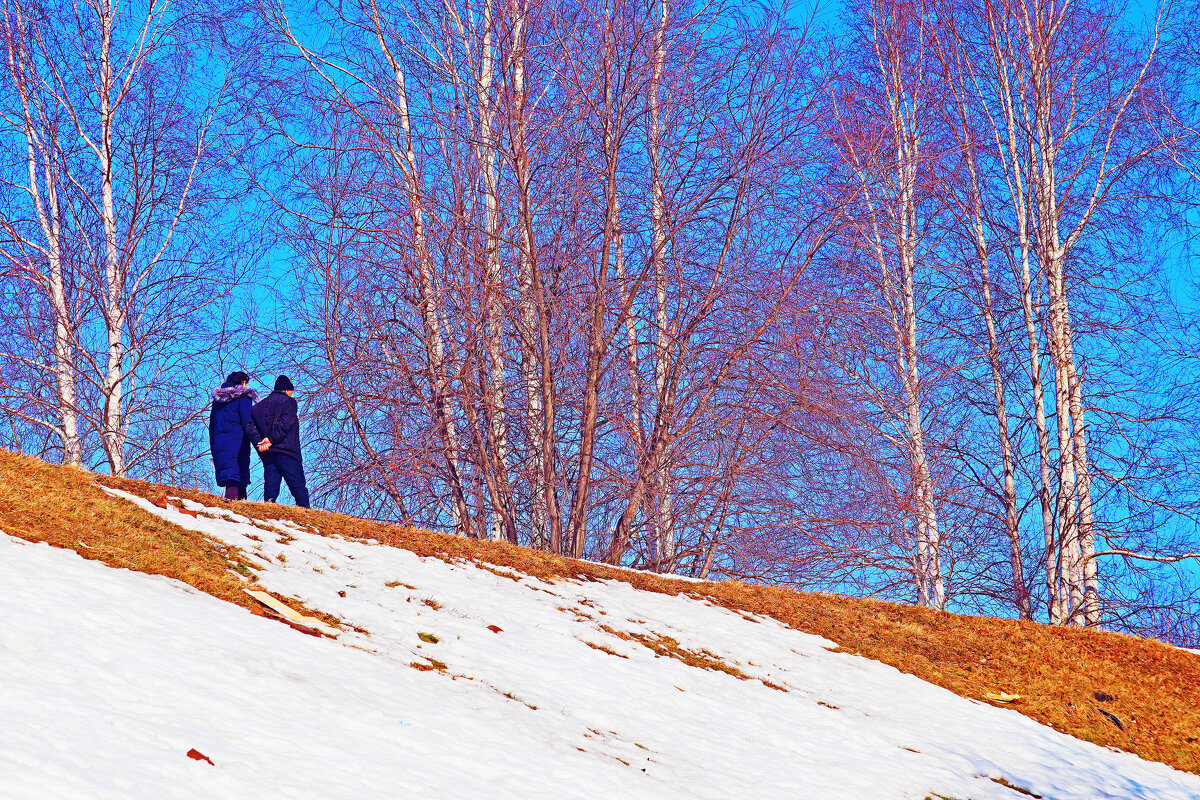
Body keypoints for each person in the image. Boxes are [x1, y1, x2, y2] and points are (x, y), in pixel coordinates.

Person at [251, 374, 310, 508]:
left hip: (268, 453)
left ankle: (268, 511)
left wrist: (260, 444)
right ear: (287, 389)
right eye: (291, 392)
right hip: (287, 451)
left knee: (271, 486)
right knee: (297, 485)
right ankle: (306, 512)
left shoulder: (257, 408)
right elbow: (285, 423)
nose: (291, 395)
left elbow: (250, 428)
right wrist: (270, 440)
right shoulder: (290, 402)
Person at [208, 371, 261, 501]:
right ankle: (229, 509)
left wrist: (214, 448)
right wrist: (259, 444)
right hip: (237, 444)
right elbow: (248, 423)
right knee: (235, 477)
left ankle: (240, 509)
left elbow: (212, 426)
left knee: (233, 479)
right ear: (243, 382)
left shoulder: (218, 401)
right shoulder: (243, 398)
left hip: (219, 443)